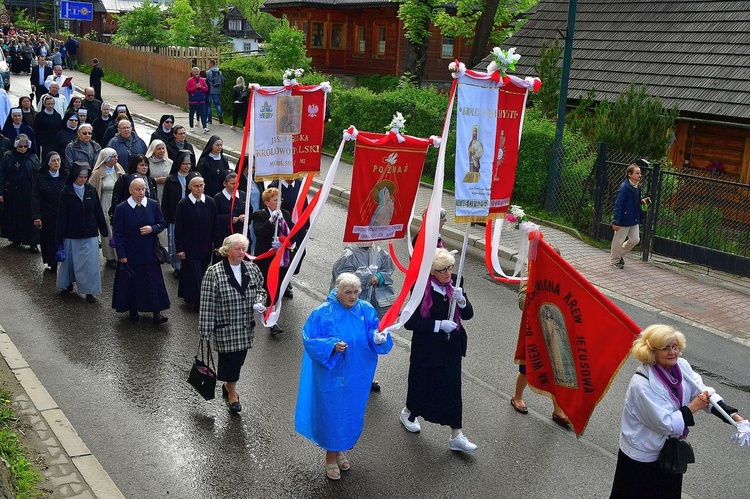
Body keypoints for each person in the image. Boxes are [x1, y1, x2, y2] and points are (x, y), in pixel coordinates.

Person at [610, 324, 746, 498]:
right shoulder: (641, 385)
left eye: (675, 347)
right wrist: (694, 406)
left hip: (668, 452)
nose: (673, 352)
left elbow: (703, 392)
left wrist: (736, 419)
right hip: (642, 456)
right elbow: (665, 424)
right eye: (666, 348)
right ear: (652, 351)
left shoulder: (681, 366)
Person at [294, 272, 393, 480]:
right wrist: (331, 346)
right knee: (332, 414)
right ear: (337, 291)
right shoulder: (323, 313)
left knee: (349, 413)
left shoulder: (366, 309)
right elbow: (310, 339)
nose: (353, 296)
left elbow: (376, 332)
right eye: (348, 292)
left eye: (356, 291)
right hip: (332, 376)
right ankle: (331, 456)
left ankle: (339, 450)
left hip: (358, 375)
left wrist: (379, 337)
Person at [400, 248, 477, 453]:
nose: (447, 273)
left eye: (449, 268)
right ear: (432, 271)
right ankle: (409, 412)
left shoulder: (456, 282)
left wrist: (461, 300)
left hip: (451, 347)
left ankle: (456, 435)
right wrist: (438, 324)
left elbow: (468, 314)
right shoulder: (420, 286)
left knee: (452, 389)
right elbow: (410, 322)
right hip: (426, 348)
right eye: (442, 270)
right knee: (421, 383)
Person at [199, 234, 267, 413]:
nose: (241, 252)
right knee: (230, 362)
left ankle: (228, 386)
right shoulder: (214, 272)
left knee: (239, 361)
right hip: (226, 328)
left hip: (245, 328)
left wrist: (260, 300)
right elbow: (207, 303)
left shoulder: (252, 269)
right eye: (237, 248)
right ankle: (233, 395)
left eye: (244, 249)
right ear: (227, 250)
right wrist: (205, 332)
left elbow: (261, 289)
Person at [512, 242, 572, 427]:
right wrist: (534, 285)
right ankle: (517, 397)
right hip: (534, 332)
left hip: (555, 332)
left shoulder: (564, 277)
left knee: (557, 371)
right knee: (526, 369)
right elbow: (522, 303)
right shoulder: (529, 278)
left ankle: (557, 409)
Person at [112, 178, 170, 325]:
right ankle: (133, 310)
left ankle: (157, 313)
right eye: (138, 189)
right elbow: (118, 234)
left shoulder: (152, 204)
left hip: (149, 251)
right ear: (130, 191)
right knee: (133, 283)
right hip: (131, 252)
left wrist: (153, 228)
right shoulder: (122, 208)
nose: (141, 192)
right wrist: (121, 254)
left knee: (153, 282)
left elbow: (162, 223)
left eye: (143, 189)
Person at [55, 161, 109, 303]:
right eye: (80, 177)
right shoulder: (66, 192)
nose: (83, 180)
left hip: (89, 234)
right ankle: (68, 284)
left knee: (90, 265)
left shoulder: (90, 190)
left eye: (85, 177)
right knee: (70, 263)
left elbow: (98, 212)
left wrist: (105, 232)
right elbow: (61, 217)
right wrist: (59, 242)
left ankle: (89, 291)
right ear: (74, 176)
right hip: (71, 234)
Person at [251, 187, 295, 335]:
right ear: (267, 202)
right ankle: (270, 319)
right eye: (275, 200)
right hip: (266, 259)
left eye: (280, 199)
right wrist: (271, 221)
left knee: (277, 290)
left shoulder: (286, 215)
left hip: (282, 259)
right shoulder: (259, 215)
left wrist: (283, 244)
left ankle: (272, 318)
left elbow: (293, 235)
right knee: (268, 289)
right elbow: (259, 233)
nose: (279, 202)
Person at [174, 172, 220, 310]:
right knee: (194, 274)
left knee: (203, 271)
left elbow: (215, 225)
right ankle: (198, 301)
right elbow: (179, 228)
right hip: (190, 245)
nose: (199, 189)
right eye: (196, 186)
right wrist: (180, 248)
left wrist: (217, 244)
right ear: (190, 187)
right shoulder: (183, 204)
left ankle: (193, 297)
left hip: (205, 245)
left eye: (201, 186)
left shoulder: (210, 202)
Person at [0, 134, 40, 251]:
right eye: (20, 146)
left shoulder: (33, 157)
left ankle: (33, 243)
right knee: (14, 217)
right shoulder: (8, 156)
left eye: (25, 146)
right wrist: (1, 192)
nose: (23, 149)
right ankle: (16, 238)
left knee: (29, 217)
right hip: (13, 193)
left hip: (28, 193)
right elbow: (2, 174)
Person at [89, 148, 125, 269]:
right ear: (106, 158)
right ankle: (110, 257)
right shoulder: (97, 173)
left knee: (119, 229)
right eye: (113, 156)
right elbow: (92, 190)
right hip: (105, 202)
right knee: (108, 230)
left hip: (118, 203)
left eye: (116, 156)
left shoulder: (119, 169)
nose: (116, 158)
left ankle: (120, 254)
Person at [31, 151, 67, 271]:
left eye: (58, 160)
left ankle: (62, 261)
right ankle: (51, 262)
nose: (57, 163)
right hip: (47, 214)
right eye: (54, 160)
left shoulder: (64, 175)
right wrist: (37, 216)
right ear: (48, 163)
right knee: (48, 240)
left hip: (62, 213)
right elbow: (35, 197)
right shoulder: (40, 177)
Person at [161, 150, 194, 277]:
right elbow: (166, 200)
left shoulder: (193, 177)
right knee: (175, 241)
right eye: (184, 163)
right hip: (174, 215)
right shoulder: (171, 179)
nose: (187, 166)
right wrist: (165, 217)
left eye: (189, 164)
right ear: (179, 164)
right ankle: (177, 266)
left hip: (190, 216)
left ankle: (188, 264)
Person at [611, 163, 650, 269]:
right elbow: (618, 204)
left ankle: (619, 255)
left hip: (634, 217)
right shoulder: (624, 188)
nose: (640, 175)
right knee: (618, 240)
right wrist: (616, 221)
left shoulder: (637, 186)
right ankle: (615, 260)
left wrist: (641, 201)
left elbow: (635, 200)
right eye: (637, 173)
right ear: (629, 174)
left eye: (640, 173)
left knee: (635, 239)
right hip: (624, 218)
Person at [109, 154, 158, 219]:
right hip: (128, 215)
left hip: (148, 214)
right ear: (135, 166)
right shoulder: (124, 179)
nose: (145, 167)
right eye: (141, 165)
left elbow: (155, 198)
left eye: (146, 165)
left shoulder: (151, 181)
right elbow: (116, 199)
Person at [213, 171, 247, 242]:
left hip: (241, 233)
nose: (235, 186)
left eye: (237, 183)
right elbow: (214, 217)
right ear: (224, 183)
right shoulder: (218, 198)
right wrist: (229, 219)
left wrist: (245, 216)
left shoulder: (242, 195)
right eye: (232, 184)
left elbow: (250, 211)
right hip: (225, 235)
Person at [185, 67, 209, 133]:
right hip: (193, 100)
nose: (196, 73)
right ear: (192, 73)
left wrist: (201, 87)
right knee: (192, 114)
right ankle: (191, 127)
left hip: (201, 100)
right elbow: (187, 89)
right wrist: (195, 87)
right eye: (195, 71)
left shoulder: (202, 80)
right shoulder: (189, 80)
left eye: (197, 71)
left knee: (203, 114)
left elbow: (206, 88)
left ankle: (204, 127)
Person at [205, 59, 223, 125]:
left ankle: (209, 119)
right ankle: (220, 114)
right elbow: (222, 81)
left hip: (210, 91)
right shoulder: (219, 72)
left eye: (208, 63)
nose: (208, 65)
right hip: (217, 91)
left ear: (211, 64)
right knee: (217, 104)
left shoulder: (208, 72)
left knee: (208, 105)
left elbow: (206, 82)